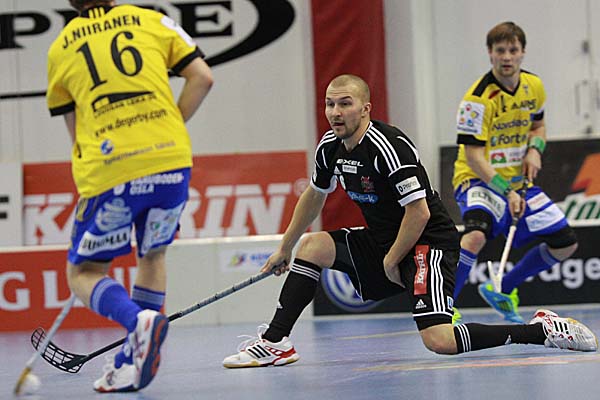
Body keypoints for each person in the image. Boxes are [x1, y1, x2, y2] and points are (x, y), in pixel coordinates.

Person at [222, 74, 596, 368]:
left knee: (440, 341)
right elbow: (315, 194)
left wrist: (391, 259)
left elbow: (420, 212)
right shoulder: (329, 147)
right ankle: (275, 343)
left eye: (345, 104)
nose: (335, 112)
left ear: (365, 108)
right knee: (312, 246)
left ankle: (540, 330)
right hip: (386, 240)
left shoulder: (389, 146)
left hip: (428, 242)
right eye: (330, 104)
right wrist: (284, 248)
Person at [46, 0, 213, 392]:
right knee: (152, 254)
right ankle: (128, 362)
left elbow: (75, 128)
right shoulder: (153, 20)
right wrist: (169, 126)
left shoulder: (61, 47)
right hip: (171, 161)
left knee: (84, 273)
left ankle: (136, 321)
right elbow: (202, 77)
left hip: (111, 168)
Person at [451, 21, 578, 324]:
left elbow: (539, 126)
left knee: (566, 243)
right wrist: (507, 192)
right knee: (475, 236)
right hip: (477, 179)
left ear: (522, 52)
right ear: (490, 53)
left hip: (519, 181)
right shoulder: (476, 100)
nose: (507, 57)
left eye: (513, 50)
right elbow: (473, 156)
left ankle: (503, 288)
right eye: (500, 51)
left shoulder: (534, 86)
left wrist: (535, 150)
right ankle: (442, 306)